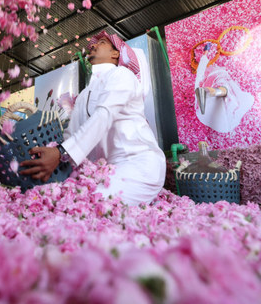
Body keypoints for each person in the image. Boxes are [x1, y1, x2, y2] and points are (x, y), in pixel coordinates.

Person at [20, 31, 166, 205]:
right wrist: (51, 154)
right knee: (66, 202)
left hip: (139, 164)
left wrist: (61, 153)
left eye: (102, 43)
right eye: (92, 45)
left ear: (115, 53)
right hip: (107, 171)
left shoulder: (122, 75)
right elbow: (70, 135)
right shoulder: (83, 95)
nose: (93, 46)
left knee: (91, 205)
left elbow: (104, 114)